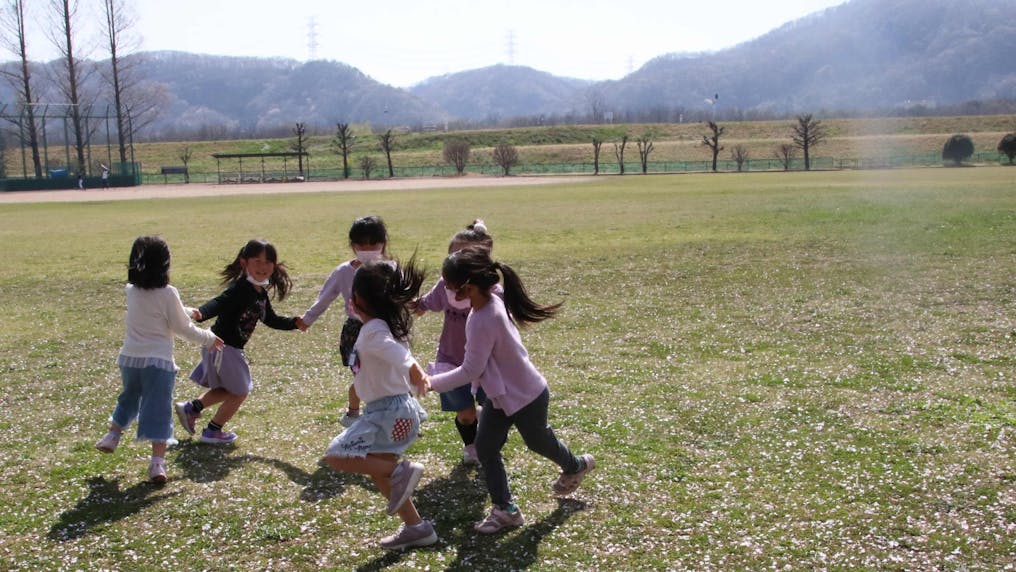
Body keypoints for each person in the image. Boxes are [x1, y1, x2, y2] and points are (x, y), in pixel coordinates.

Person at [423, 246, 595, 534]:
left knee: (538, 442)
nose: (448, 293)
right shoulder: (486, 303)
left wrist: (431, 383)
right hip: (499, 397)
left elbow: (470, 370)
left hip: (526, 396)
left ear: (469, 286)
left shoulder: (483, 317)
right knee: (487, 448)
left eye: (451, 287)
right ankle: (506, 510)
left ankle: (576, 465)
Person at [323, 257, 436, 551]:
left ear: (356, 299)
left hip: (388, 412)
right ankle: (417, 528)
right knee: (379, 470)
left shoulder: (373, 331)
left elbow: (399, 358)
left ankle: (402, 472)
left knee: (337, 456)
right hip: (398, 410)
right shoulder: (385, 326)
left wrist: (416, 371)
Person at [95, 236, 224, 483]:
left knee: (129, 397)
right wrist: (209, 338)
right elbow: (182, 327)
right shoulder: (168, 293)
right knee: (158, 409)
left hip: (130, 359)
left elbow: (157, 310)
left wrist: (186, 310)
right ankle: (157, 464)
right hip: (158, 363)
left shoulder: (131, 291)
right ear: (165, 265)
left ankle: (113, 435)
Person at [175, 239, 306, 444]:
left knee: (230, 389)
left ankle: (191, 409)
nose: (263, 267)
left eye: (268, 262)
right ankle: (212, 431)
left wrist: (294, 323)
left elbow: (269, 319)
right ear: (245, 263)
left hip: (229, 348)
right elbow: (220, 301)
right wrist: (201, 313)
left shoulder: (260, 292)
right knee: (240, 391)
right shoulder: (241, 288)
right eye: (257, 261)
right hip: (223, 347)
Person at [414, 219, 499, 464]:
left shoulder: (492, 291)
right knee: (465, 414)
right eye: (452, 257)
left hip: (486, 361)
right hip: (451, 359)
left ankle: (489, 443)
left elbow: (505, 323)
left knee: (493, 409)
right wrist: (414, 305)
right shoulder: (445, 285)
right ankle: (471, 446)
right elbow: (427, 302)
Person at [300, 215, 389, 427]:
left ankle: (397, 412)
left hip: (386, 329)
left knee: (390, 373)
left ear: (383, 244)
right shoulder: (344, 271)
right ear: (352, 245)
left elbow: (402, 296)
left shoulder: (390, 268)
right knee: (364, 375)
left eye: (373, 244)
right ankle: (353, 414)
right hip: (356, 332)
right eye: (361, 244)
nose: (368, 249)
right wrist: (306, 319)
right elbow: (325, 297)